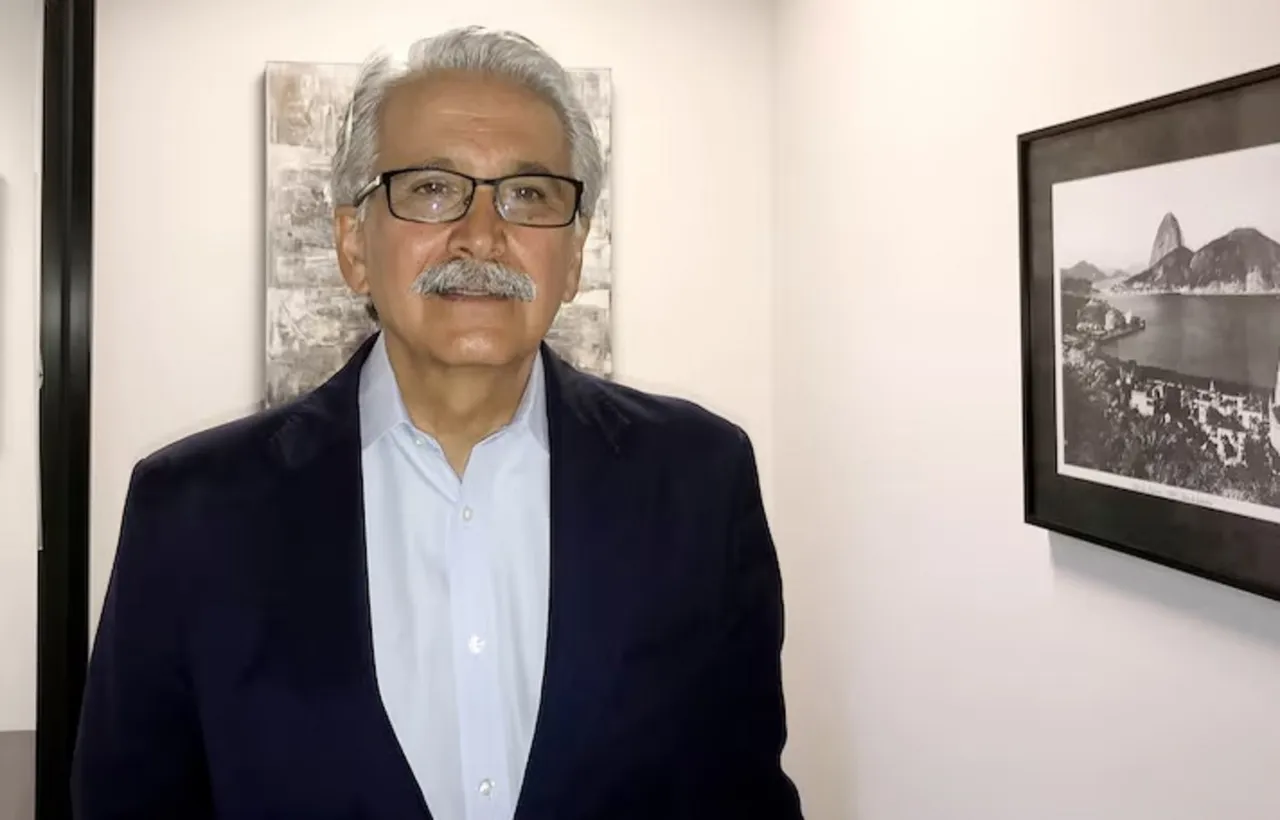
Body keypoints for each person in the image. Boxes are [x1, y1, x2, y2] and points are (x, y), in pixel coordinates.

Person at [71, 25, 802, 820]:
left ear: (575, 253)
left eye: (529, 194)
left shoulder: (699, 481)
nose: (482, 236)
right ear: (353, 244)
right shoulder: (192, 512)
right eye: (429, 188)